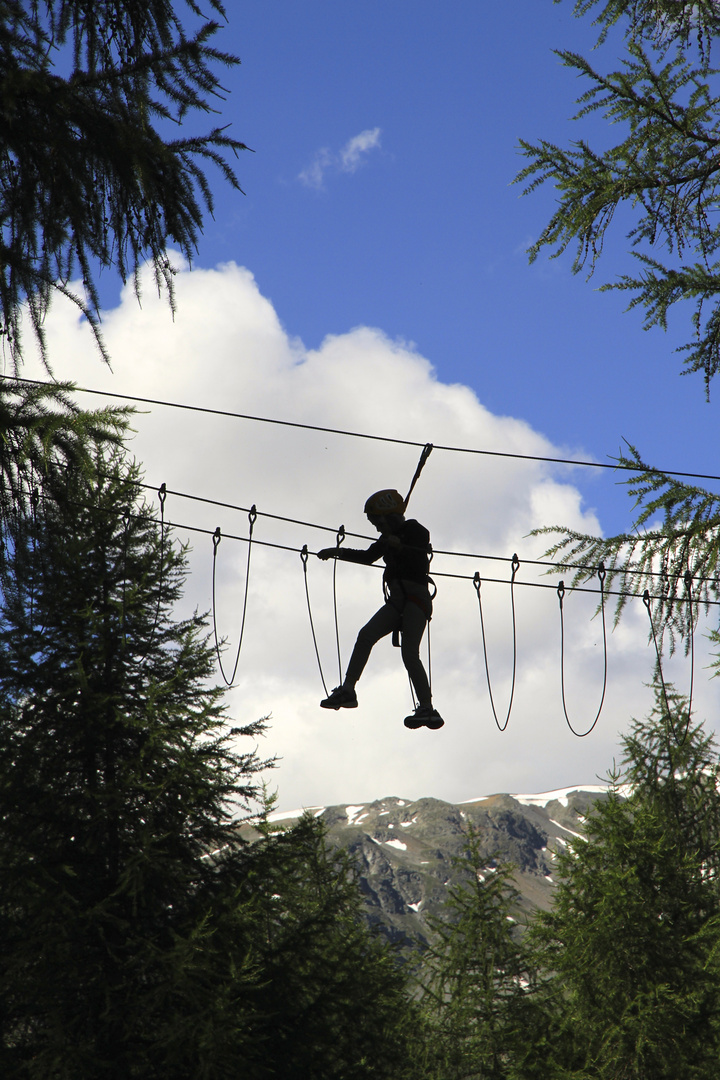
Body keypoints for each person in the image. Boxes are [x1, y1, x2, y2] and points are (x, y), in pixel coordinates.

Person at [316, 488, 444, 730]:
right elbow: (367, 557)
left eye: (377, 521)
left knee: (409, 653)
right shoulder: (386, 539)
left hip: (416, 599)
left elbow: (419, 555)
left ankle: (427, 708)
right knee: (365, 636)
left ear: (388, 516)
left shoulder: (415, 531)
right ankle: (348, 690)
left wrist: (400, 545)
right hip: (397, 601)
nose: (376, 527)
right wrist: (337, 552)